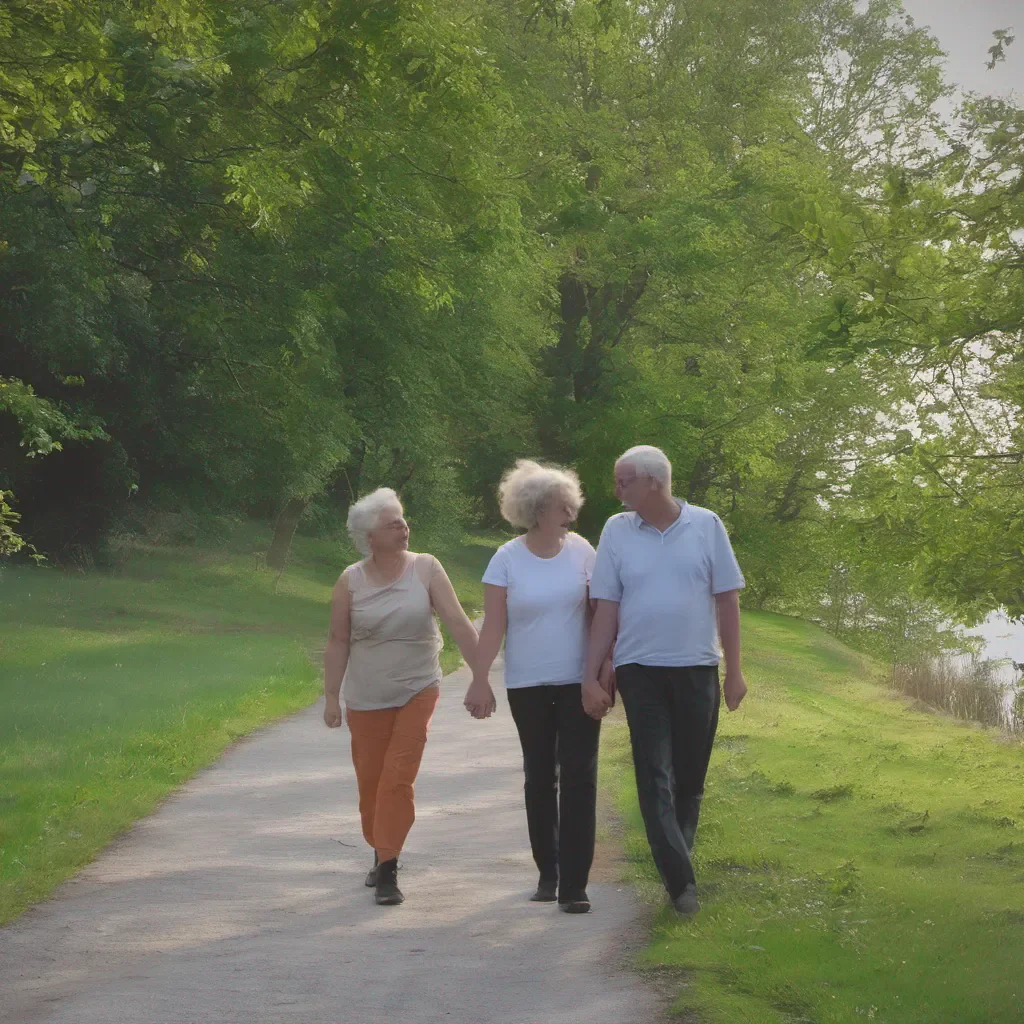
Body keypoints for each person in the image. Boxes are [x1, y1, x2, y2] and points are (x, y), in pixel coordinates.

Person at [580, 445, 747, 917]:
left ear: (654, 481)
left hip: (697, 667)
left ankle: (679, 866)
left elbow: (727, 600)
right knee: (654, 775)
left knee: (689, 779)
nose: (615, 490)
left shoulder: (707, 525)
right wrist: (590, 675)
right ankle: (682, 885)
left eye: (623, 481)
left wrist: (734, 671)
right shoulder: (616, 530)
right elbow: (605, 607)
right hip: (640, 671)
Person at [464, 460, 613, 914]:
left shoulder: (584, 552)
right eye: (559, 504)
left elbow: (600, 616)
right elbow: (493, 627)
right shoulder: (507, 558)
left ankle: (575, 884)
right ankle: (548, 872)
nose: (569, 510)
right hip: (527, 683)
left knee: (580, 776)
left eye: (571, 502)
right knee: (539, 777)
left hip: (576, 681)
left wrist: (603, 672)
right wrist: (478, 679)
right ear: (535, 509)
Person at [323, 487, 478, 906]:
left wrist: (480, 674)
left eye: (404, 520)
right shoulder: (350, 580)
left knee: (397, 778)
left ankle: (389, 870)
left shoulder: (426, 568)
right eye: (393, 523)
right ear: (369, 535)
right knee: (371, 784)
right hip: (365, 697)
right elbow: (338, 641)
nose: (404, 527)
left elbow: (459, 624)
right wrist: (330, 697)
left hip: (418, 688)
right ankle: (381, 850)